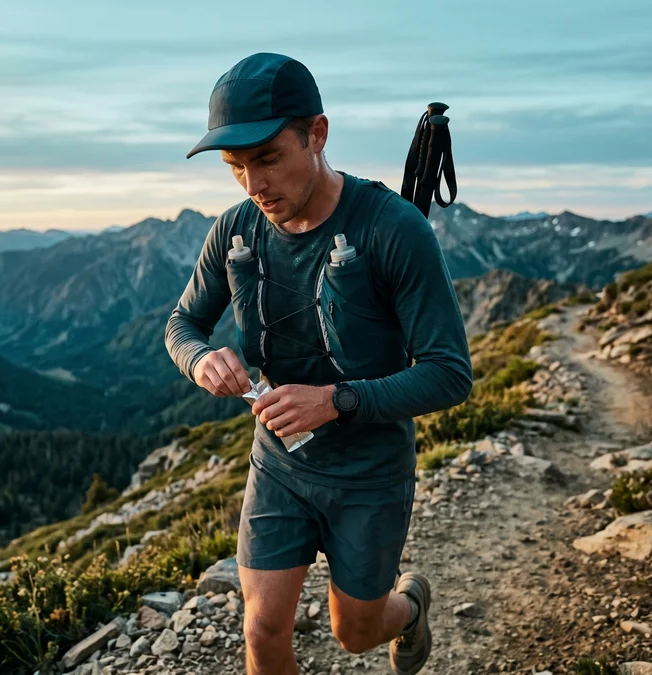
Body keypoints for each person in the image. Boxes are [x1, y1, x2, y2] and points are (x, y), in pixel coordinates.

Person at [164, 52, 473, 675]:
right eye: (236, 167)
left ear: (317, 135)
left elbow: (449, 372)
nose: (253, 184)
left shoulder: (393, 228)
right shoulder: (234, 230)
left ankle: (409, 607)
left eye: (269, 158)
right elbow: (182, 325)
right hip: (279, 463)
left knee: (355, 633)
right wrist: (201, 361)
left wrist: (335, 401)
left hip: (369, 472)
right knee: (261, 629)